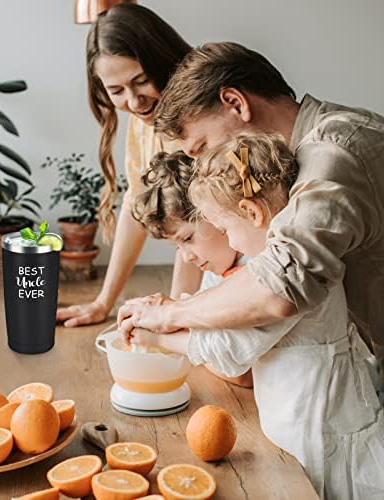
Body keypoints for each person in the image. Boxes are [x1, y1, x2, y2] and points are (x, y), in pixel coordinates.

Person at [117, 42, 384, 393]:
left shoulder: (334, 152)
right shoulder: (292, 167)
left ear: (235, 103)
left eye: (200, 149)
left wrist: (169, 314)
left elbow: (279, 287)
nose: (202, 171)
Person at [130, 132, 384, 500]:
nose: (229, 240)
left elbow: (230, 348)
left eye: (226, 229)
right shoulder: (268, 263)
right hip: (302, 430)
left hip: (328, 436)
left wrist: (156, 338)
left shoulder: (281, 277)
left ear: (250, 213)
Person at [56, 3, 197, 327]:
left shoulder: (199, 118)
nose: (133, 102)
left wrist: (172, 315)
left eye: (142, 81)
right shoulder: (144, 119)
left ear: (163, 60)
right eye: (116, 91)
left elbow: (200, 226)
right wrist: (103, 302)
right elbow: (137, 202)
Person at [131, 149, 252, 388]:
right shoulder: (215, 270)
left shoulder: (258, 265)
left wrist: (159, 338)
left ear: (217, 212)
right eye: (177, 246)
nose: (185, 257)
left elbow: (242, 374)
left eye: (187, 238)